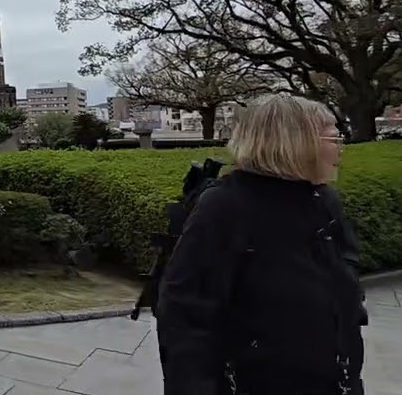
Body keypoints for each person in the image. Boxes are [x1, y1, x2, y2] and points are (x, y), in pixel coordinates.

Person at [156, 94, 366, 395]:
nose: (339, 146)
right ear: (292, 142)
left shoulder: (323, 200)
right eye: (332, 136)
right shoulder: (225, 206)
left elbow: (344, 270)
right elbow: (185, 316)